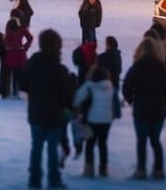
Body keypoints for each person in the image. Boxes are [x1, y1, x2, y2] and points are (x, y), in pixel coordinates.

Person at [21, 28, 71, 189]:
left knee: (36, 148)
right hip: (54, 115)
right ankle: (53, 179)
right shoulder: (60, 70)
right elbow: (67, 94)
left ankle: (34, 180)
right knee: (52, 150)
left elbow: (23, 86)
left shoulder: (32, 64)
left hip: (36, 112)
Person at [123, 37, 166, 180]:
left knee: (142, 140)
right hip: (158, 108)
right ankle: (158, 169)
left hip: (141, 107)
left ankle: (141, 170)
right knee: (155, 140)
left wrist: (131, 99)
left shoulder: (137, 67)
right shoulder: (161, 68)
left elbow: (126, 86)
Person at [74, 65, 116, 178]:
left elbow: (76, 98)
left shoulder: (88, 86)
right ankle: (103, 169)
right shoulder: (110, 86)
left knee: (90, 144)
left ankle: (89, 169)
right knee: (103, 144)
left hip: (91, 119)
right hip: (107, 120)